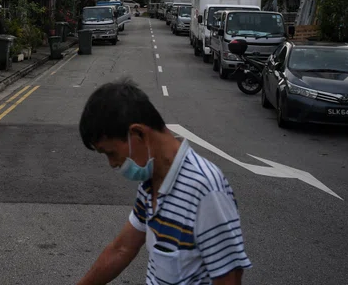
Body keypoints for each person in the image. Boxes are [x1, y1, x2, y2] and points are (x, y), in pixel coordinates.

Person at [76, 80, 251, 285]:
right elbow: (122, 249)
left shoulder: (205, 190)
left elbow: (229, 279)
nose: (112, 164)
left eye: (111, 153)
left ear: (138, 133)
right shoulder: (151, 183)